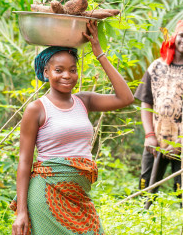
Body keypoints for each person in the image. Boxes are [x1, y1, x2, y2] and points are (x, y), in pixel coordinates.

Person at [11, 20, 134, 235]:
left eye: (72, 70)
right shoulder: (37, 109)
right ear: (46, 72)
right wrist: (21, 211)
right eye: (59, 70)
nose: (67, 75)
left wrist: (98, 52)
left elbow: (125, 97)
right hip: (46, 194)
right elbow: (24, 161)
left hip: (79, 196)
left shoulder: (84, 101)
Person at [135, 19, 183, 202]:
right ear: (174, 37)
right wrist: (149, 135)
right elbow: (146, 103)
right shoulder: (156, 67)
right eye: (182, 35)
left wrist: (181, 143)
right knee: (146, 186)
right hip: (155, 141)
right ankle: (143, 222)